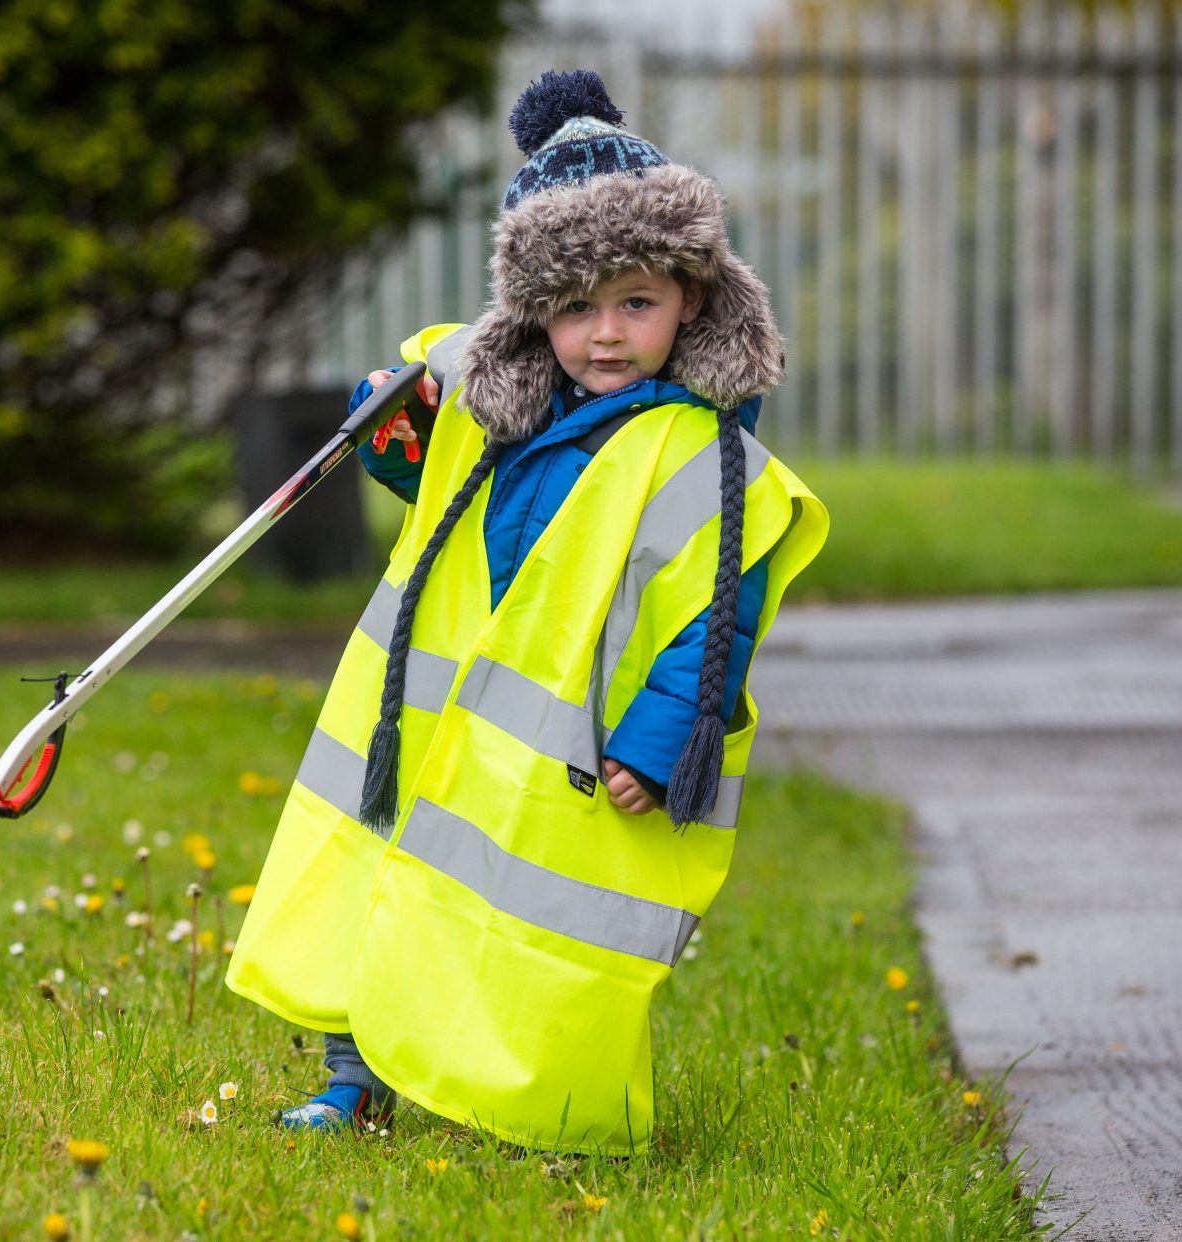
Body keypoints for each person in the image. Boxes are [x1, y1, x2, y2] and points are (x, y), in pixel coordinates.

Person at [225, 69, 829, 1154]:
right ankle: (354, 1082)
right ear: (531, 309)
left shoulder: (706, 461)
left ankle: (523, 1098)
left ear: (692, 297)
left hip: (569, 747)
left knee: (525, 925)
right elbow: (435, 497)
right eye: (574, 308)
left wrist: (659, 743)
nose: (605, 334)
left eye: (635, 303)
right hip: (425, 720)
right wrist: (395, 429)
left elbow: (716, 622)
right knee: (381, 885)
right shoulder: (492, 405)